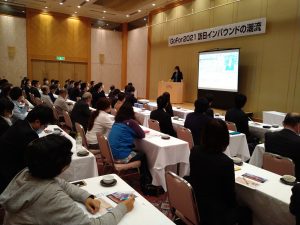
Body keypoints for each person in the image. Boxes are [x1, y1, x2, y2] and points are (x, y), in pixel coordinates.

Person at [0, 134, 135, 225]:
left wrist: (86, 197)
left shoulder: (28, 172)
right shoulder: (50, 195)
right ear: (62, 165)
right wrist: (123, 208)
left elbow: (62, 184)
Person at [189, 119, 252, 225]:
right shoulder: (225, 162)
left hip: (195, 203)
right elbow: (230, 196)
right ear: (225, 138)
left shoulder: (194, 151)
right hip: (214, 215)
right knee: (246, 212)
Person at [0, 105, 54, 193]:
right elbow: (33, 158)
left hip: (4, 164)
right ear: (37, 121)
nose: (45, 128)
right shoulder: (29, 134)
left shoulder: (20, 123)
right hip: (10, 174)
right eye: (45, 125)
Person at [108, 103, 154, 195]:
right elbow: (142, 134)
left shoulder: (116, 122)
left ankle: (144, 178)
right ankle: (145, 182)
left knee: (137, 151)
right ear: (131, 113)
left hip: (111, 153)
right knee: (143, 155)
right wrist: (135, 119)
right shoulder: (131, 122)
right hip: (121, 155)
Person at [265, 113, 300, 180]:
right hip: (293, 179)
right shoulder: (298, 141)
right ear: (298, 125)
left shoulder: (269, 136)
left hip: (271, 174)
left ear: (283, 123)